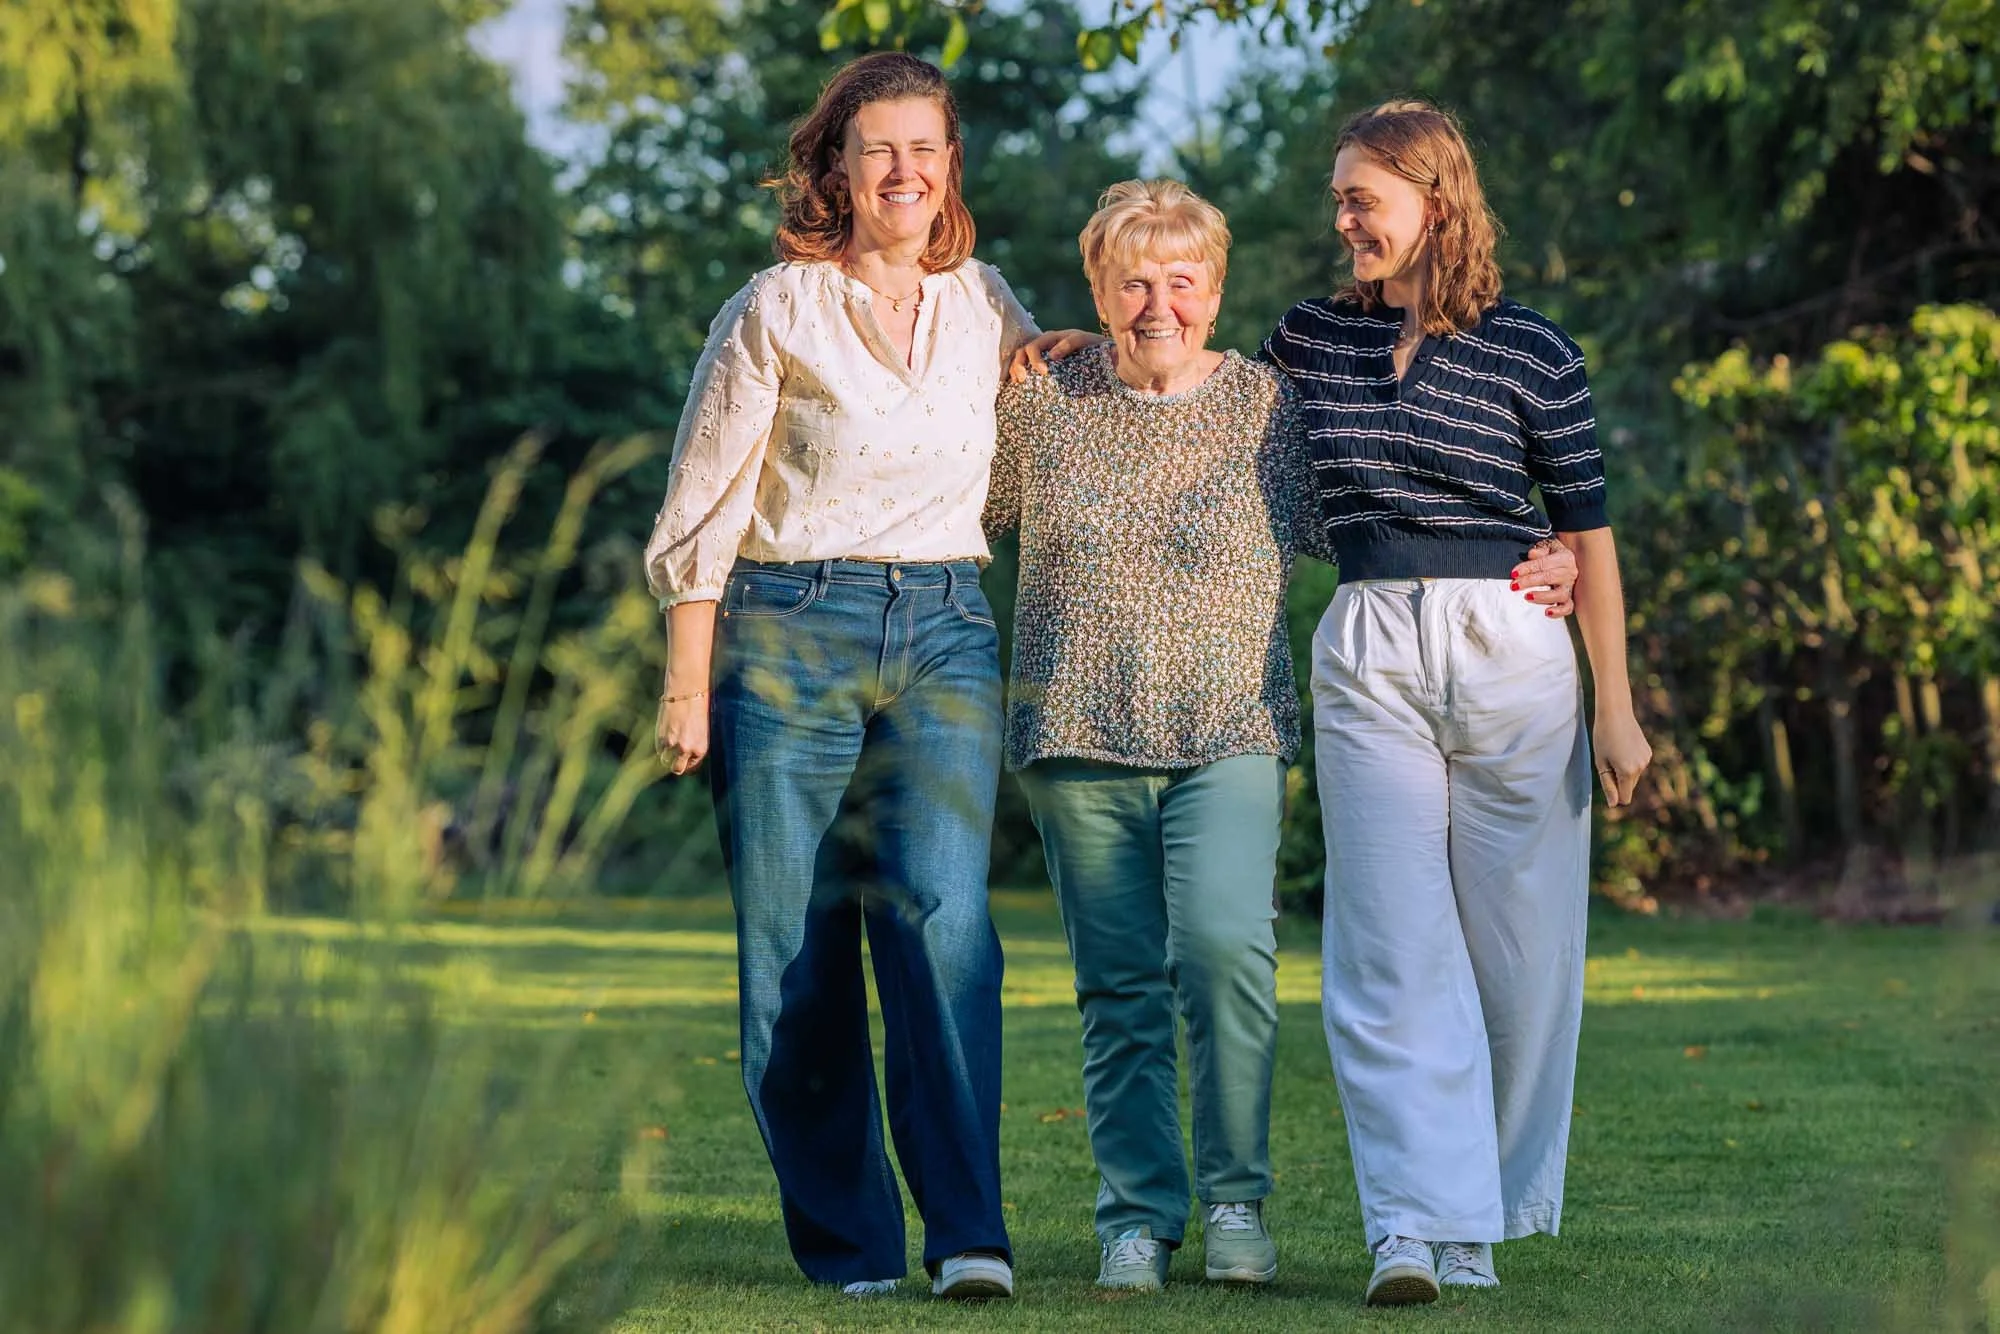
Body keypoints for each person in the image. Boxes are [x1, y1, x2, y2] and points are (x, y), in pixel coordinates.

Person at [990, 181, 1579, 1295]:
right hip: (1071, 725)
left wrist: (1544, 549)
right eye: (1132, 280)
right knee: (1115, 987)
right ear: (1097, 292)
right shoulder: (1044, 399)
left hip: (1228, 727)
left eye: (1180, 280)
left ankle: (1232, 1202)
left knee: (1222, 958)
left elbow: (1381, 508)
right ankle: (1135, 1217)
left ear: (1213, 291)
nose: (1156, 301)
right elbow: (953, 512)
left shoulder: (1267, 405)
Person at [642, 51, 1035, 1302]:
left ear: (949, 167)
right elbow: (701, 502)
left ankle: (968, 1231)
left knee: (942, 918)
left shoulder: (985, 304)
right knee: (797, 944)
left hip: (944, 629)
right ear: (839, 168)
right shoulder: (777, 307)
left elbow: (1074, 414)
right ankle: (851, 1245)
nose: (904, 170)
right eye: (879, 149)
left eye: (925, 148)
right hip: (784, 630)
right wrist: (683, 681)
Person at [1263, 101, 1652, 1305]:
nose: (1342, 220)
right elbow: (1207, 416)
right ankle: (1405, 1226)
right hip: (1370, 637)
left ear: (1434, 200)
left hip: (1513, 643)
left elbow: (1587, 536)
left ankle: (1478, 1213)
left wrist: (1615, 707)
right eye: (1337, 197)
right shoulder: (1306, 339)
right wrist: (1088, 340)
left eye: (1360, 198)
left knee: (1522, 949)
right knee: (1383, 945)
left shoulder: (1531, 349)